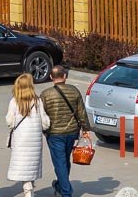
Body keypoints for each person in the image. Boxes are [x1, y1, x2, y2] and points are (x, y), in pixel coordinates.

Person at [39, 66, 89, 197]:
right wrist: (86, 129)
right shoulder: (74, 91)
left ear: (51, 77)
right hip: (72, 132)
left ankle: (66, 192)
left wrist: (43, 130)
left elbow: (41, 115)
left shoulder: (45, 94)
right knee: (65, 161)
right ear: (65, 76)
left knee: (60, 162)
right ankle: (61, 186)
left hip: (54, 133)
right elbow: (81, 112)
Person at [5, 73, 50, 196]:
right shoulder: (37, 101)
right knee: (31, 164)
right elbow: (45, 123)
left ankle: (28, 189)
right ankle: (29, 189)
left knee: (23, 164)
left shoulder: (14, 101)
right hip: (34, 139)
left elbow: (10, 122)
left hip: (20, 139)